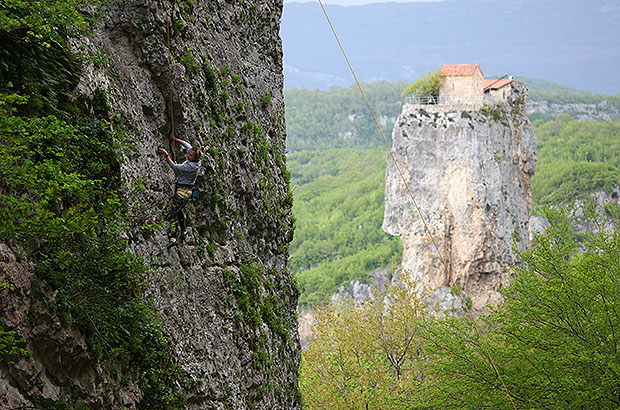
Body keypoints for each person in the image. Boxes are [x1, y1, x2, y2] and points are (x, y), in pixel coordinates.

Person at [158, 134, 202, 249]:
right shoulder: (196, 157)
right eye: (189, 153)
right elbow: (187, 145)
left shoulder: (191, 167)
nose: (188, 155)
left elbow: (174, 166)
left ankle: (173, 238)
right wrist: (175, 139)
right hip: (188, 191)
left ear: (195, 158)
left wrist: (166, 154)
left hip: (182, 192)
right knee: (180, 211)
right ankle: (183, 232)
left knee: (174, 214)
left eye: (190, 155)